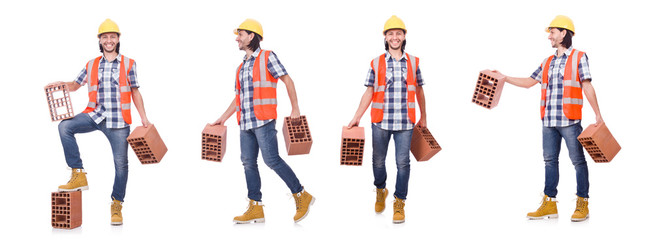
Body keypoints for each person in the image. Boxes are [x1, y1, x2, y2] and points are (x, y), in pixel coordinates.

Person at [494, 15, 603, 222]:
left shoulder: (579, 57)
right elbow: (528, 82)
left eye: (552, 32)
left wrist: (598, 114)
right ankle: (549, 204)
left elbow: (587, 85)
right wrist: (505, 78)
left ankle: (583, 202)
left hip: (570, 121)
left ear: (564, 33)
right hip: (548, 121)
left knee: (578, 161)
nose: (549, 37)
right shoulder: (547, 62)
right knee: (549, 161)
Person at [211, 18, 314, 223]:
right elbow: (238, 98)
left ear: (251, 36)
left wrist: (295, 108)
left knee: (271, 160)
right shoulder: (241, 68)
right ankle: (255, 207)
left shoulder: (268, 57)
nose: (237, 39)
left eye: (240, 35)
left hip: (264, 121)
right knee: (248, 163)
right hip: (246, 123)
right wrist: (222, 118)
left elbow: (287, 79)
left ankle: (301, 194)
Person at [52, 19, 151, 225]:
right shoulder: (91, 64)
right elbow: (76, 84)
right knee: (65, 126)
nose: (109, 40)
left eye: (112, 37)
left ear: (118, 39)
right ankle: (78, 173)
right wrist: (63, 84)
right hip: (94, 115)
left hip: (118, 122)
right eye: (105, 37)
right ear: (99, 40)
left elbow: (135, 91)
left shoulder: (128, 63)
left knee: (121, 165)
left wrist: (143, 117)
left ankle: (116, 203)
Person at [347, 15, 427, 224]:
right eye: (390, 34)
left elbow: (419, 91)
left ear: (404, 36)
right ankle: (380, 190)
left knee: (403, 163)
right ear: (385, 37)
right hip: (380, 122)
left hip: (405, 122)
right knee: (378, 161)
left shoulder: (413, 62)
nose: (394, 37)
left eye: (398, 33)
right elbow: (369, 92)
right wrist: (357, 117)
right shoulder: (376, 62)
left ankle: (399, 201)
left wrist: (424, 116)